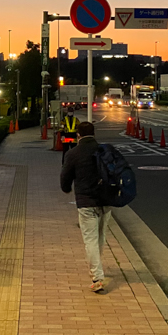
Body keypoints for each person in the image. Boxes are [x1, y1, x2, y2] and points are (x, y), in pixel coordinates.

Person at [60, 121, 110, 293]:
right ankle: (98, 268)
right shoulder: (104, 151)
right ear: (94, 134)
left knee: (90, 240)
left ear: (78, 135)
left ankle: (97, 276)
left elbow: (65, 179)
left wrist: (66, 189)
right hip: (105, 200)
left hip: (86, 202)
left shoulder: (73, 153)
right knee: (100, 236)